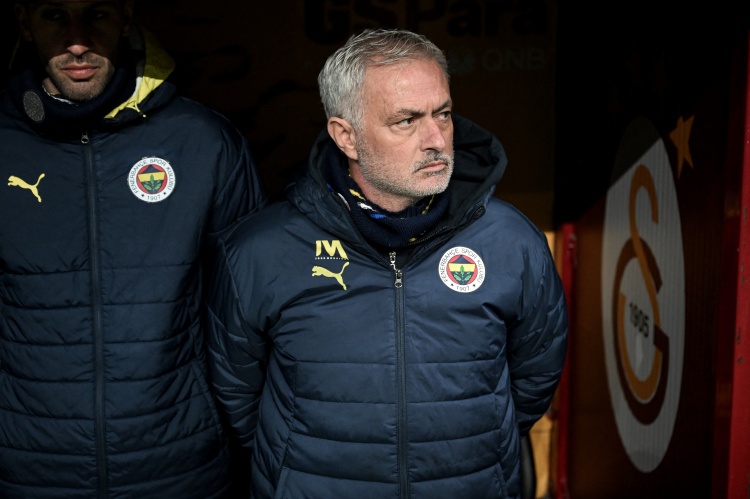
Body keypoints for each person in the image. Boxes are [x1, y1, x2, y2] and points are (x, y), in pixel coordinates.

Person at [206, 28, 568, 499]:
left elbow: (536, 371)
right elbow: (237, 391)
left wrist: (474, 447)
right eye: (406, 121)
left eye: (443, 114)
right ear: (347, 137)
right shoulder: (262, 249)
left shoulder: (510, 239)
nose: (436, 139)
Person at [0, 0, 266, 497]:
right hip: (27, 470)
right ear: (25, 23)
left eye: (97, 13)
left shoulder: (202, 141)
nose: (77, 40)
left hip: (180, 468)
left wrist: (242, 441)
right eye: (54, 15)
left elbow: (249, 319)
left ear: (126, 18)